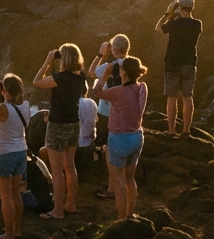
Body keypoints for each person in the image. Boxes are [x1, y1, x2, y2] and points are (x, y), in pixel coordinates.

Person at [32, 43, 87, 219]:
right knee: (70, 166)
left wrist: (48, 62)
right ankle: (71, 203)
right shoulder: (80, 77)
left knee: (57, 171)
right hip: (73, 124)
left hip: (57, 125)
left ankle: (57, 210)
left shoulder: (59, 78)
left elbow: (37, 81)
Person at [91, 56, 149, 220]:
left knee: (118, 182)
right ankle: (130, 214)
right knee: (130, 179)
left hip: (118, 139)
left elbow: (94, 93)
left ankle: (121, 219)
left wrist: (104, 75)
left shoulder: (117, 91)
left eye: (121, 68)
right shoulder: (142, 88)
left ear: (124, 72)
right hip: (137, 137)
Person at [87, 34, 130, 200]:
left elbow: (91, 73)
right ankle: (123, 183)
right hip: (126, 111)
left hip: (106, 112)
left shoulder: (107, 66)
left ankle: (112, 186)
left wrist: (100, 54)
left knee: (109, 149)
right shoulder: (131, 65)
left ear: (114, 49)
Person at [0, 74, 29, 239]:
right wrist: (3, 92)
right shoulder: (26, 106)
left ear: (5, 91)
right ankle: (17, 230)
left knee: (5, 197)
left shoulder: (2, 109)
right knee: (15, 193)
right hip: (21, 151)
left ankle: (9, 234)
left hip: (4, 153)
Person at [155, 0, 203, 136]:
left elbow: (159, 28)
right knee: (188, 97)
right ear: (192, 8)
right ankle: (186, 131)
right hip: (189, 63)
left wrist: (168, 13)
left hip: (172, 63)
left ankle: (171, 131)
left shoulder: (174, 24)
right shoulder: (197, 24)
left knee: (172, 98)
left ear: (180, 7)